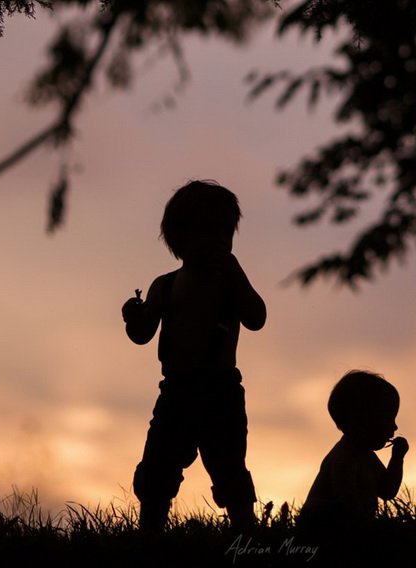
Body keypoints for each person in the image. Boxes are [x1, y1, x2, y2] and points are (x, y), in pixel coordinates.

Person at [121, 179, 267, 532]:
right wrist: (132, 317)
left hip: (221, 391)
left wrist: (236, 273)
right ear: (180, 239)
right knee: (158, 465)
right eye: (208, 232)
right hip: (176, 391)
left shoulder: (229, 281)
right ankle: (150, 532)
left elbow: (256, 318)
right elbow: (142, 335)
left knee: (229, 465)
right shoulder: (165, 285)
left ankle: (245, 532)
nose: (218, 242)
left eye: (224, 233)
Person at [299, 370, 409, 534]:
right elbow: (346, 503)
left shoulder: (365, 455)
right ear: (363, 421)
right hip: (322, 530)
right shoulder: (343, 457)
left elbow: (387, 490)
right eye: (388, 418)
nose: (394, 427)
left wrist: (397, 457)